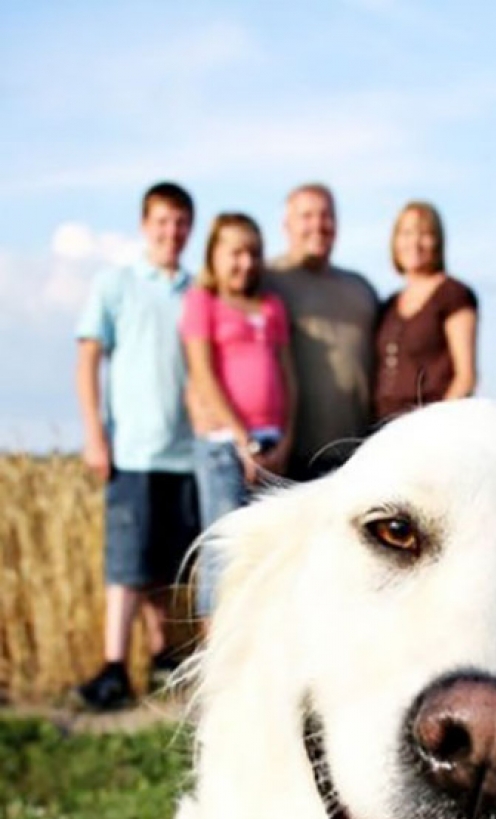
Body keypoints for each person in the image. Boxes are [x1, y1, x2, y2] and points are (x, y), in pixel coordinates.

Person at [73, 181, 200, 711]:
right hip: (132, 450)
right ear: (145, 226)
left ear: (189, 229)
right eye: (161, 222)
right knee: (126, 563)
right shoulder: (116, 284)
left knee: (168, 565)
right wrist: (94, 433)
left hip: (188, 449)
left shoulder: (199, 290)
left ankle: (163, 656)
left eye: (179, 223)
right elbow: (88, 360)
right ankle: (114, 668)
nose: (170, 232)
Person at [181, 212, 296, 619]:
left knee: (265, 550)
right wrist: (240, 436)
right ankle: (214, 656)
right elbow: (203, 373)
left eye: (253, 253)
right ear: (214, 255)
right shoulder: (203, 303)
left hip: (270, 441)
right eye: (235, 253)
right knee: (224, 544)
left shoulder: (270, 306)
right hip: (224, 445)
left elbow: (287, 374)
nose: (245, 263)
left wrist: (286, 438)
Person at [265, 183, 378, 479]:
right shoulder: (267, 282)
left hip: (354, 455)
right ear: (286, 225)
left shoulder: (361, 289)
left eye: (326, 215)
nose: (318, 225)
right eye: (307, 216)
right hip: (286, 456)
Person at [371, 201, 479, 426]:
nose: (415, 243)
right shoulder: (389, 305)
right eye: (407, 233)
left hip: (430, 430)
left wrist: (434, 429)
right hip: (385, 428)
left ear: (437, 241)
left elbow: (465, 377)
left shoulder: (453, 295)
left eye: (425, 233)